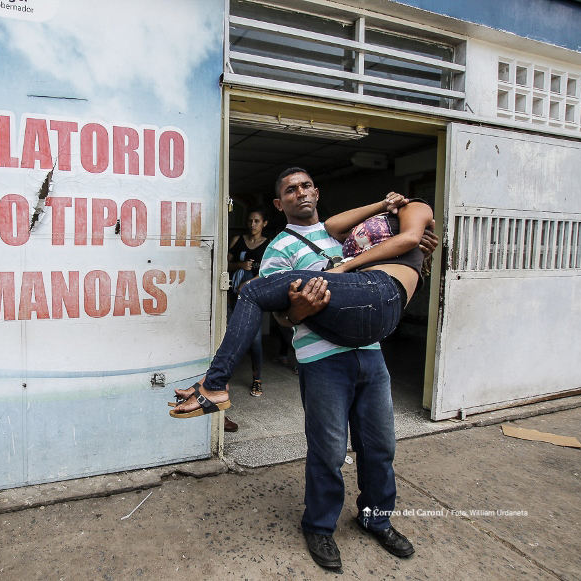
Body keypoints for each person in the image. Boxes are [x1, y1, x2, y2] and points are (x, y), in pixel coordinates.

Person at [170, 167, 438, 570]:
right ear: (280, 204)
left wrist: (415, 253)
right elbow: (281, 319)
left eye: (307, 185)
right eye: (291, 190)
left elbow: (392, 255)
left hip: (369, 351)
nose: (301, 193)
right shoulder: (277, 250)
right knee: (329, 452)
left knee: (380, 446)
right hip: (321, 359)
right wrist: (300, 308)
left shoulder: (346, 233)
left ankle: (376, 518)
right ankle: (319, 525)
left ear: (317, 190)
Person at [227, 207, 270, 398]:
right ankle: (223, 379)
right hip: (233, 295)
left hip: (255, 298)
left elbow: (269, 272)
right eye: (250, 221)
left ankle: (257, 380)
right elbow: (224, 264)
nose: (253, 224)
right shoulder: (238, 241)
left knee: (256, 339)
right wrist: (240, 266)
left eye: (257, 221)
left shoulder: (269, 245)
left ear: (264, 224)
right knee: (228, 335)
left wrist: (248, 282)